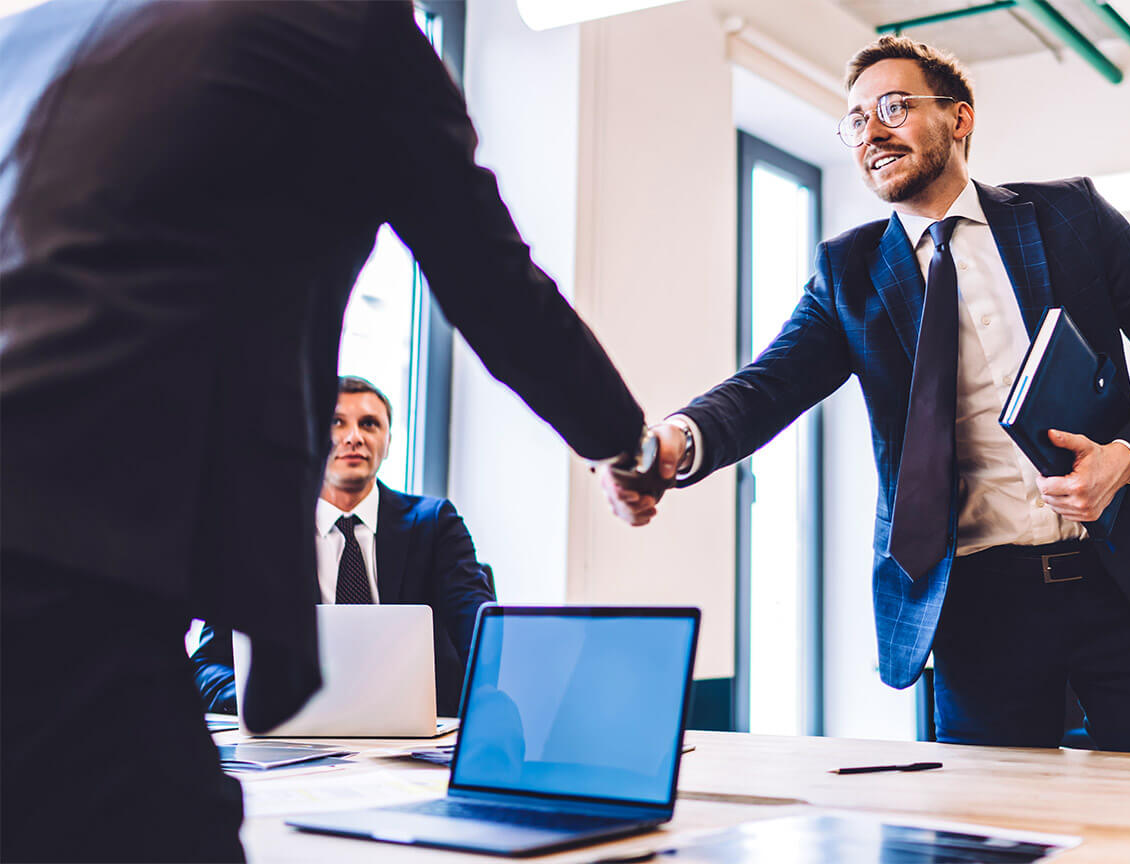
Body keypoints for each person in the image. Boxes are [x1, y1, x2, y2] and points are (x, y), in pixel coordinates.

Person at [0, 3, 650, 861]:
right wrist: (624, 443)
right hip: (74, 558)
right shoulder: (347, 30)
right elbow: (491, 281)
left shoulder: (47, 28)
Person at [604, 35, 1130, 756]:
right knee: (995, 837)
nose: (871, 130)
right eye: (857, 118)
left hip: (1123, 581)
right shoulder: (850, 274)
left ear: (959, 119)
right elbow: (766, 387)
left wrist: (1125, 457)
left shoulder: (1071, 218)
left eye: (893, 106)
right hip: (978, 607)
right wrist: (672, 442)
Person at [192, 377, 495, 718]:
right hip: (299, 733)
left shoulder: (436, 524)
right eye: (336, 422)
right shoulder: (265, 531)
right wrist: (257, 701)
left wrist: (484, 702)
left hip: (413, 730)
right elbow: (207, 664)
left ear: (389, 441)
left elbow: (482, 639)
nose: (354, 437)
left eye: (369, 424)